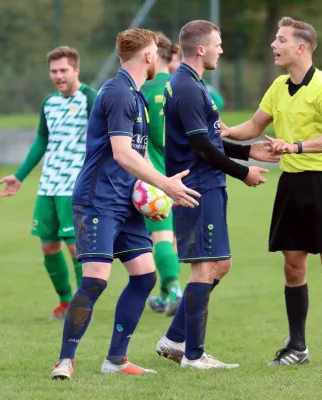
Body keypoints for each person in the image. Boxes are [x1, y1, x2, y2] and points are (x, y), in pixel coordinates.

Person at [49, 28, 201, 380]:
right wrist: (165, 184)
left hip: (125, 201)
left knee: (144, 275)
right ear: (149, 56)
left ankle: (115, 360)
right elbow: (121, 153)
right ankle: (65, 361)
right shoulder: (118, 93)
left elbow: (138, 154)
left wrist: (150, 194)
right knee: (96, 280)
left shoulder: (136, 96)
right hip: (98, 199)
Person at [222, 17, 322, 368]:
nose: (273, 45)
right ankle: (298, 347)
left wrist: (294, 147)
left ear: (301, 47)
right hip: (292, 187)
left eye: (280, 40)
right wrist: (222, 132)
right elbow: (253, 126)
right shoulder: (278, 86)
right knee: (293, 267)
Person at [155, 20, 279, 370]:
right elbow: (202, 149)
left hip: (207, 184)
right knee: (204, 268)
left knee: (220, 264)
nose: (221, 50)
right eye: (218, 44)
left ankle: (174, 338)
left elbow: (208, 142)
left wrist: (247, 151)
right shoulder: (189, 88)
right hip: (200, 186)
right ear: (201, 49)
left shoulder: (192, 84)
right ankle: (194, 356)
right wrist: (244, 173)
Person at [0, 46, 98, 320]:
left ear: (76, 70)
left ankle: (83, 304)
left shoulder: (91, 98)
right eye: (53, 71)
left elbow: (104, 139)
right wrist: (19, 176)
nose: (58, 76)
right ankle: (66, 302)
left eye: (63, 70)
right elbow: (42, 140)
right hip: (48, 185)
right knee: (48, 246)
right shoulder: (49, 103)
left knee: (76, 247)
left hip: (75, 185)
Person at [140, 33, 183, 317]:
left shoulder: (141, 91)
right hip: (189, 174)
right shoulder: (189, 86)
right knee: (171, 238)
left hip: (156, 177)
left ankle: (176, 290)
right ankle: (165, 296)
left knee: (161, 237)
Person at [169, 43, 225, 110]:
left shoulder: (193, 79)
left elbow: (219, 101)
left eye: (174, 61)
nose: (170, 64)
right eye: (168, 61)